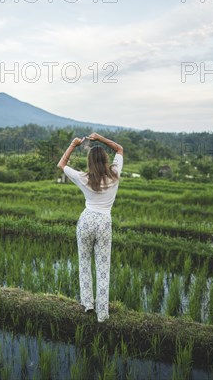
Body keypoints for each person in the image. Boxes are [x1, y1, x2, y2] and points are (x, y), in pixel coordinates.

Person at [57, 132, 124, 323]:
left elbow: (61, 165)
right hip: (104, 222)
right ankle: (102, 314)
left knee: (84, 262)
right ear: (105, 159)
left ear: (90, 162)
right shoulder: (115, 174)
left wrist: (73, 144)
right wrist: (100, 138)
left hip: (86, 220)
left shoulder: (83, 177)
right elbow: (119, 149)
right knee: (103, 268)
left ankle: (88, 304)